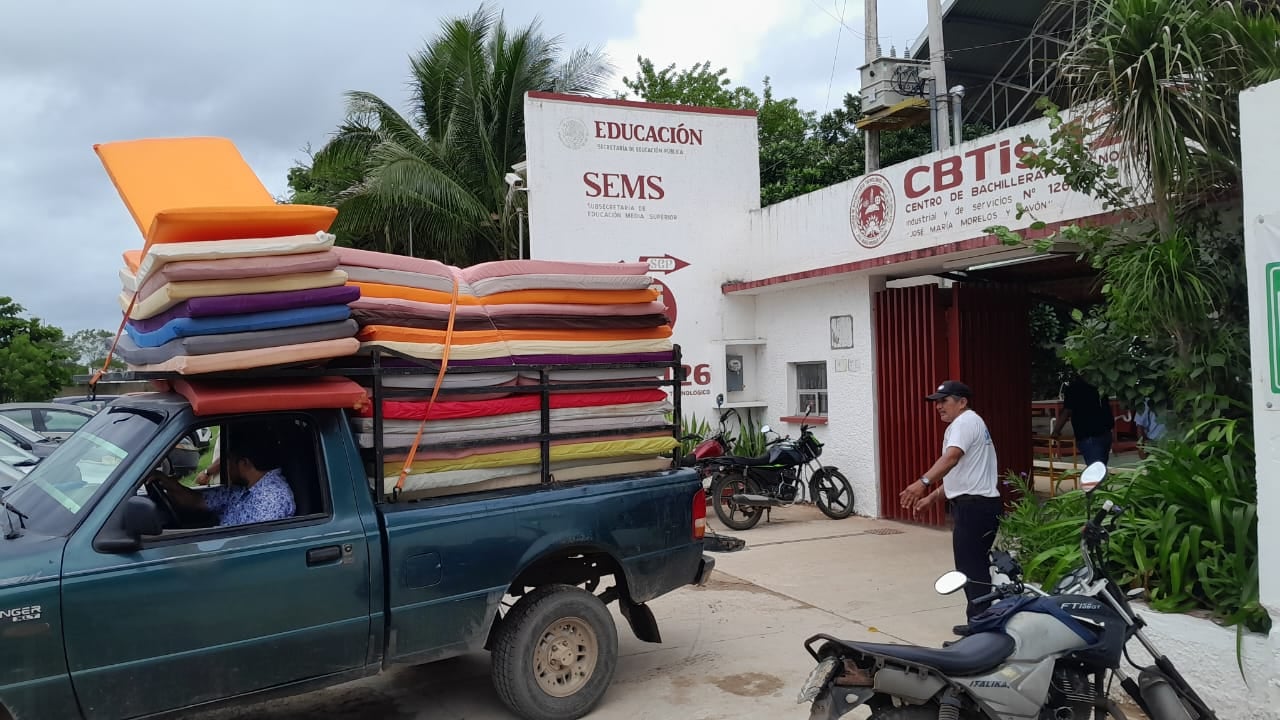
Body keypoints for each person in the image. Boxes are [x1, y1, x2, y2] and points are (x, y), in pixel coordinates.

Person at [898, 380, 1003, 636]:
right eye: (937, 402)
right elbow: (962, 473)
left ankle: (981, 630)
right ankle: (980, 623)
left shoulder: (964, 422)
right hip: (977, 506)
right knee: (972, 567)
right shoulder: (970, 423)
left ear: (962, 402)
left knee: (972, 570)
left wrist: (922, 482)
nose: (938, 407)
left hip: (975, 507)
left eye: (944, 401)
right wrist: (932, 497)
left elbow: (951, 458)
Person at [158, 430, 295, 527]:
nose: (224, 465)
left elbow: (251, 548)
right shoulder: (241, 490)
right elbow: (197, 501)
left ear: (244, 464)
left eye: (228, 459)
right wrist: (167, 482)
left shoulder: (272, 499)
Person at [1053, 374, 1115, 465]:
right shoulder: (1098, 385)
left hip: (1094, 434)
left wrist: (1056, 431)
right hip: (1098, 432)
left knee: (1097, 468)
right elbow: (1067, 411)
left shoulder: (1076, 388)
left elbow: (1067, 411)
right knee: (1098, 468)